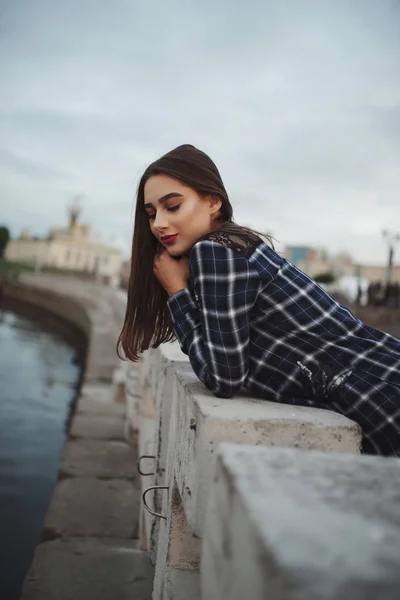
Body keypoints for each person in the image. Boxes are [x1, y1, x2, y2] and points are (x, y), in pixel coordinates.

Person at [118, 144, 400, 457]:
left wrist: (176, 291)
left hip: (377, 397)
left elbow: (223, 376)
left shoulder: (214, 251)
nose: (158, 224)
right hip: (383, 377)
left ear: (213, 202)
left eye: (172, 207)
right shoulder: (236, 244)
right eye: (151, 213)